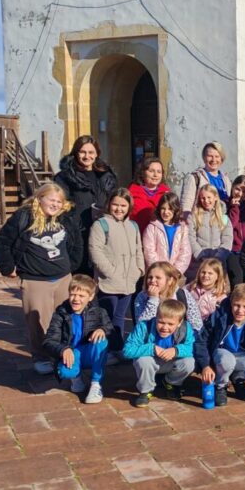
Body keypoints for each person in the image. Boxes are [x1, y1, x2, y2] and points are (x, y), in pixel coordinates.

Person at [0, 182, 81, 375]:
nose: (55, 204)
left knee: (65, 319)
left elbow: (76, 241)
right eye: (51, 199)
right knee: (39, 322)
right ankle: (41, 356)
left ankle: (62, 354)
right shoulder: (24, 217)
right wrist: (7, 267)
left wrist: (72, 265)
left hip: (62, 278)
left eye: (59, 201)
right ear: (40, 198)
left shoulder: (65, 218)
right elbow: (3, 241)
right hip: (35, 280)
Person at [194, 283, 245, 408]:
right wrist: (206, 365)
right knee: (226, 360)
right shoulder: (220, 317)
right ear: (231, 302)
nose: (240, 310)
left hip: (241, 355)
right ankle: (221, 386)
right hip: (221, 354)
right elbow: (201, 340)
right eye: (237, 305)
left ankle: (237, 377)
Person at [88, 188, 145, 353]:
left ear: (129, 207)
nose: (119, 209)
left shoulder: (132, 226)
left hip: (129, 281)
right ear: (109, 204)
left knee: (120, 317)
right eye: (115, 204)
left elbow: (138, 249)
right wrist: (110, 272)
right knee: (108, 318)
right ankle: (105, 351)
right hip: (109, 281)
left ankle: (116, 348)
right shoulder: (101, 225)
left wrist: (139, 270)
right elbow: (95, 251)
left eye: (123, 205)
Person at [43, 274, 114, 404]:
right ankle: (76, 379)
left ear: (90, 297)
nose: (76, 299)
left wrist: (102, 330)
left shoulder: (99, 311)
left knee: (102, 342)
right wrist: (63, 349)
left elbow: (109, 327)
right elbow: (49, 340)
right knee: (66, 372)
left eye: (81, 296)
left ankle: (96, 384)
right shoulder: (61, 313)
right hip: (72, 352)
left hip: (88, 350)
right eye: (73, 294)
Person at [54, 135, 118, 273]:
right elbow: (59, 205)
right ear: (76, 153)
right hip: (78, 231)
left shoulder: (106, 175)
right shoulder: (65, 177)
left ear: (96, 153)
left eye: (90, 152)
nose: (87, 156)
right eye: (82, 152)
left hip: (103, 230)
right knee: (80, 272)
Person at [123, 298, 196, 407]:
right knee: (143, 360)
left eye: (170, 324)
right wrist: (151, 348)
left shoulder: (186, 329)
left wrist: (176, 350)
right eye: (160, 322)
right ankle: (145, 390)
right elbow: (127, 350)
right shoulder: (144, 326)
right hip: (151, 363)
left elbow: (192, 348)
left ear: (180, 323)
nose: (165, 327)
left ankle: (171, 383)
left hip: (171, 363)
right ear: (155, 317)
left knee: (190, 362)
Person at [133, 261, 204, 331]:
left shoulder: (182, 294)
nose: (152, 280)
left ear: (170, 280)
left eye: (158, 278)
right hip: (151, 339)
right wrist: (153, 299)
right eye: (150, 277)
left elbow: (196, 325)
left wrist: (186, 340)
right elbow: (141, 327)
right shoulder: (142, 296)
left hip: (178, 339)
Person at [187, 185, 233, 279]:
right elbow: (190, 237)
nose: (206, 201)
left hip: (217, 265)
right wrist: (200, 255)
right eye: (203, 198)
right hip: (198, 264)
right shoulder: (193, 216)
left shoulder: (223, 218)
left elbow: (227, 239)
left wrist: (219, 257)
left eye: (209, 197)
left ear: (215, 197)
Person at [142, 192, 193, 273]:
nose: (166, 212)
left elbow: (185, 252)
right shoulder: (152, 227)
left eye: (170, 209)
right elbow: (149, 252)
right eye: (163, 208)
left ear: (175, 209)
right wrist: (160, 271)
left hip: (173, 275)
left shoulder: (182, 229)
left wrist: (175, 271)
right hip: (156, 273)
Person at [179, 142, 232, 219]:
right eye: (210, 156)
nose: (214, 160)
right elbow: (186, 206)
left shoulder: (226, 180)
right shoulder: (194, 178)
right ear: (204, 158)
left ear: (221, 159)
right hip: (200, 225)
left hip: (222, 225)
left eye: (217, 156)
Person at [128, 157, 170, 233]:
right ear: (143, 172)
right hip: (137, 237)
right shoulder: (131, 193)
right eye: (151, 171)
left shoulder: (167, 194)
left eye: (159, 172)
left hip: (160, 238)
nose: (155, 175)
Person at [184, 257, 230, 322]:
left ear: (217, 276)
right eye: (203, 272)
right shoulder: (190, 288)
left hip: (206, 326)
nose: (205, 275)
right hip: (188, 323)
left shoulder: (220, 296)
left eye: (210, 273)